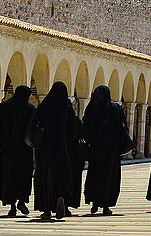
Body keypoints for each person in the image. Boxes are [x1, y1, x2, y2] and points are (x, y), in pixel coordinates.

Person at [26, 81, 82, 220]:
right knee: (63, 174)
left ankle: (46, 210)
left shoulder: (44, 107)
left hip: (45, 149)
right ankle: (62, 197)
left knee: (45, 176)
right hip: (63, 148)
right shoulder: (67, 109)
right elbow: (74, 131)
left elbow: (32, 125)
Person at [0, 85, 34, 217]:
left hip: (8, 148)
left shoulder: (6, 106)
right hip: (24, 149)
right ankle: (22, 201)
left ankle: (12, 206)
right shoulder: (29, 109)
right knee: (23, 176)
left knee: (9, 176)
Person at [82, 85, 132, 216]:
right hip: (112, 151)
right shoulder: (116, 109)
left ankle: (94, 203)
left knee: (95, 175)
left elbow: (85, 128)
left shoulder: (91, 109)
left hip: (96, 151)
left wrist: (91, 141)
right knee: (109, 178)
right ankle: (106, 206)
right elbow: (123, 128)